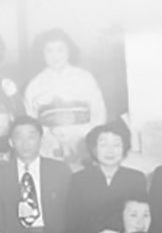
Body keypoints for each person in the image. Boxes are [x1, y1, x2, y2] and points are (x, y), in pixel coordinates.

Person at [0, 116, 68, 233]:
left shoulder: (59, 170)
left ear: (40, 139)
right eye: (19, 137)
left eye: (31, 137)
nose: (25, 144)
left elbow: (68, 207)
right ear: (11, 142)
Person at [23, 30, 106, 162]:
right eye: (49, 51)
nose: (55, 56)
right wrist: (50, 137)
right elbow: (31, 121)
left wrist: (79, 135)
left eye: (60, 50)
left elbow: (99, 116)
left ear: (69, 51)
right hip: (49, 147)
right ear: (42, 54)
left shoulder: (85, 78)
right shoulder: (34, 85)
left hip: (84, 144)